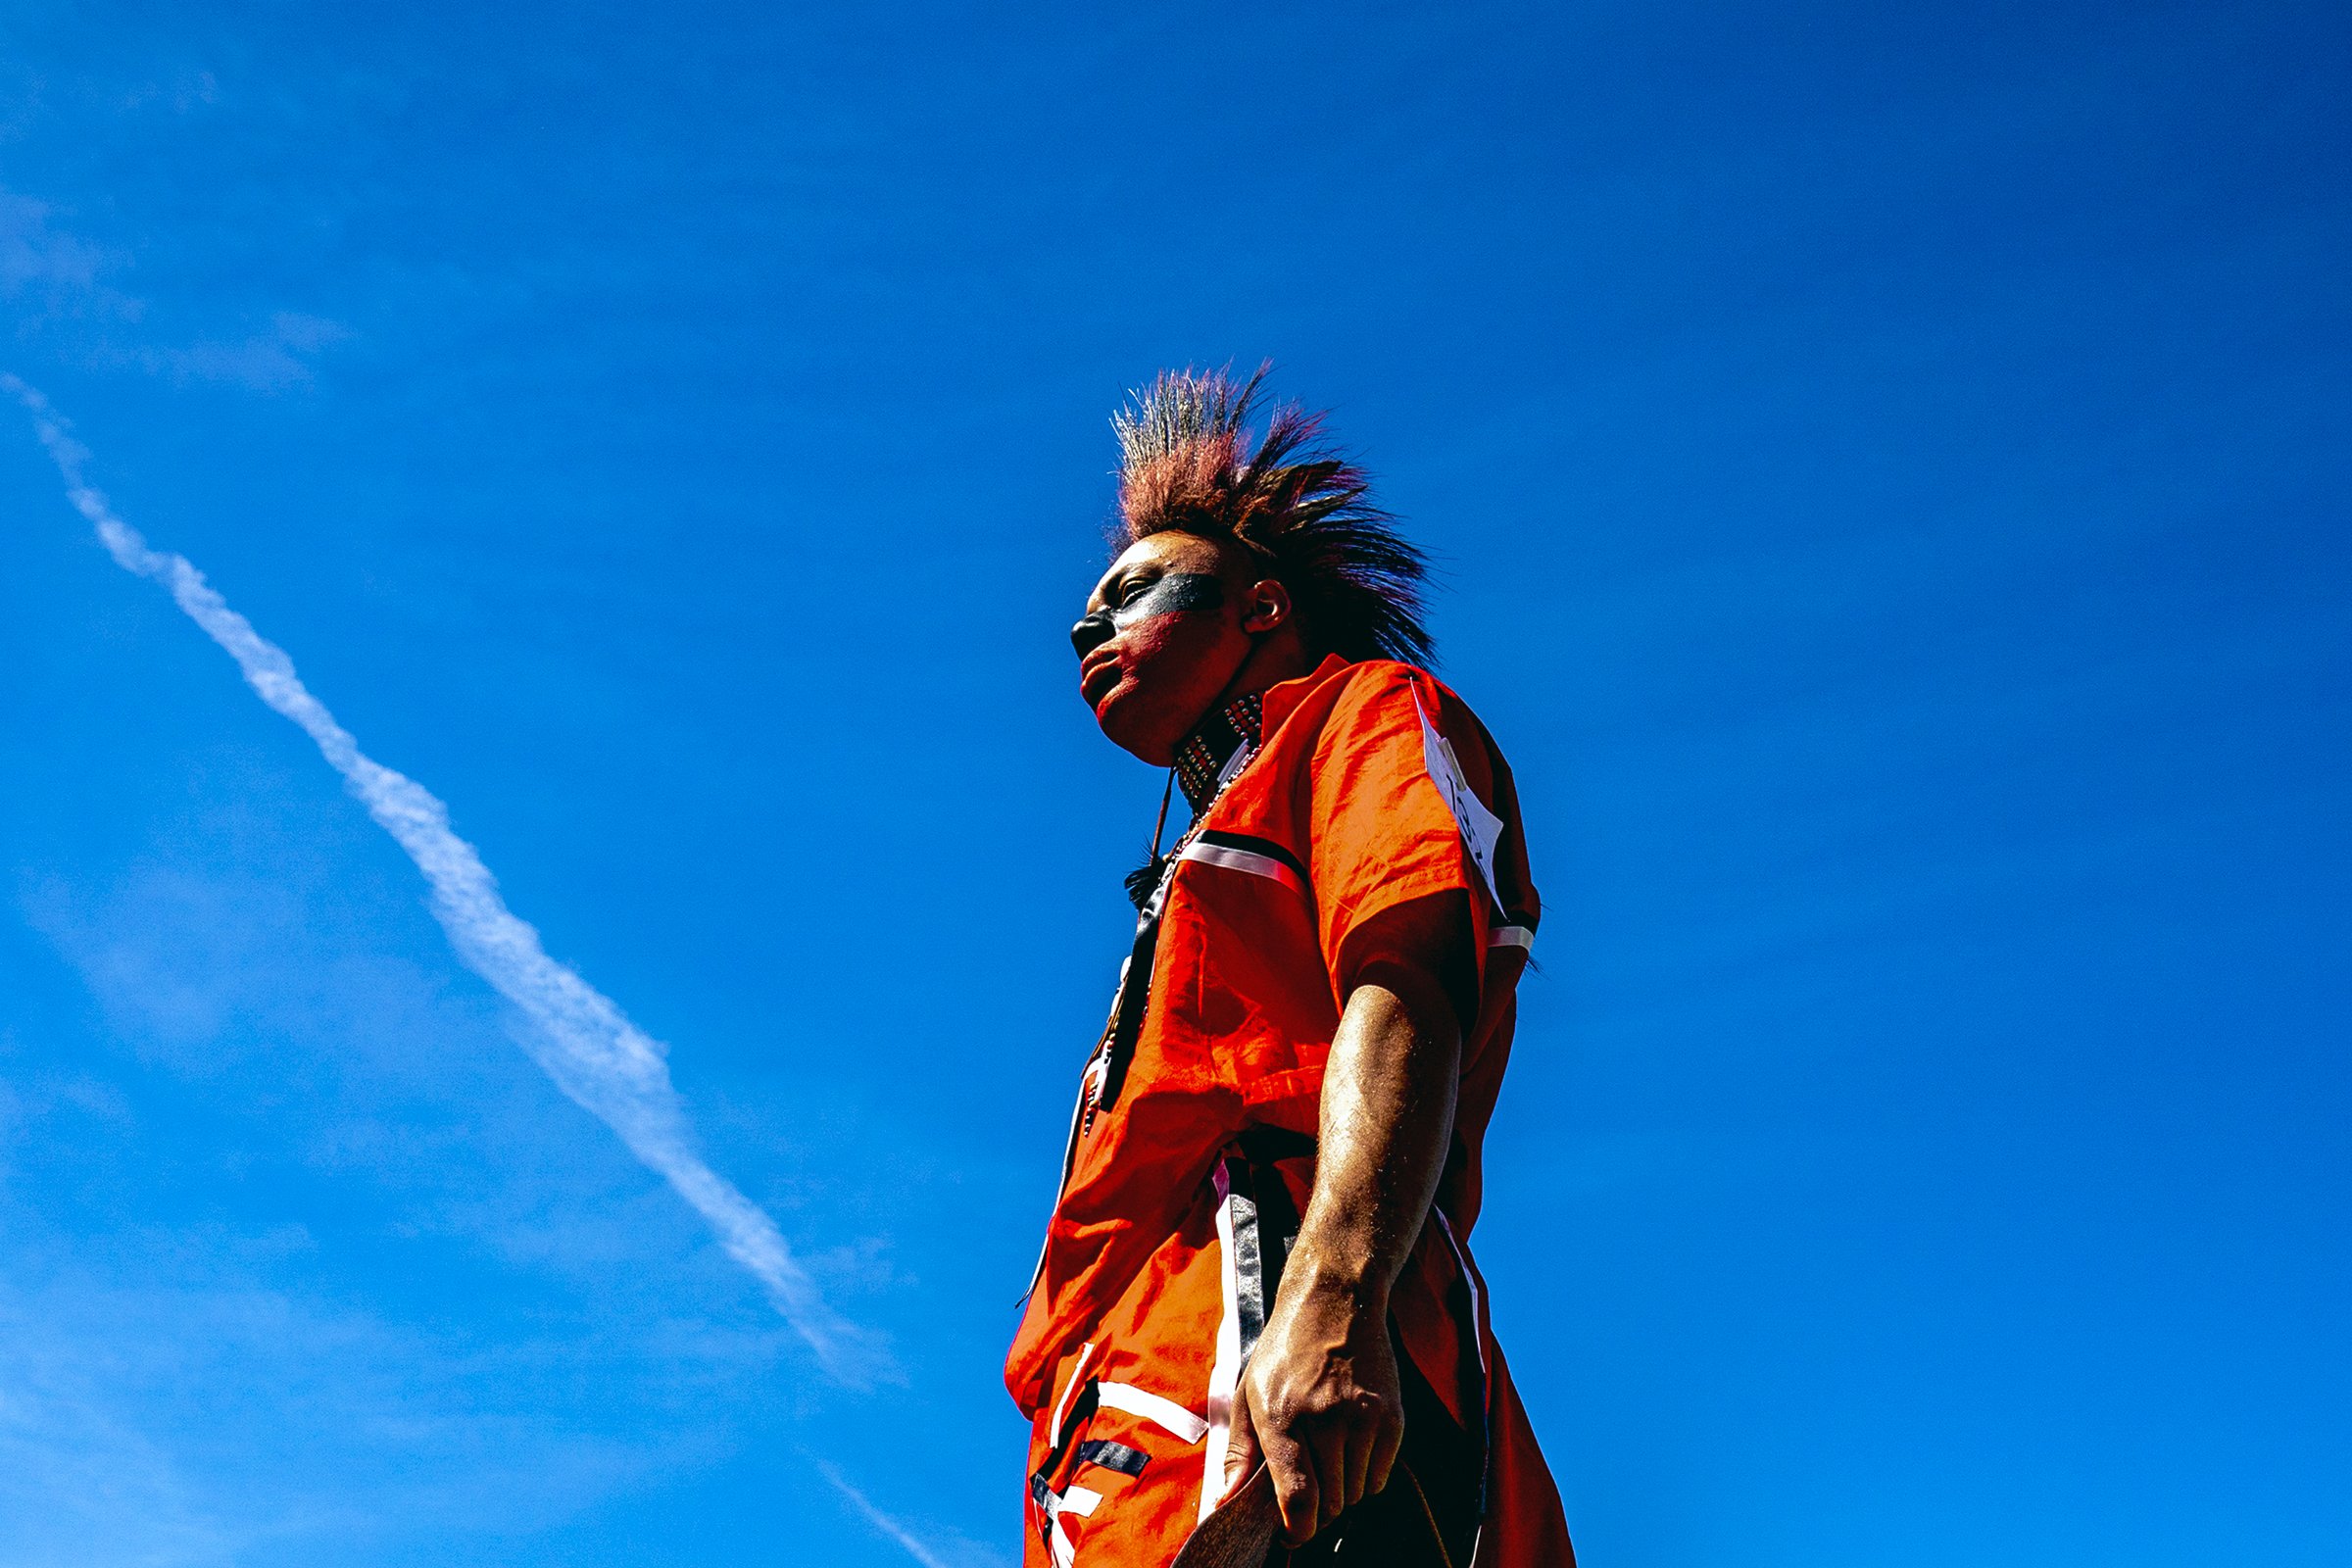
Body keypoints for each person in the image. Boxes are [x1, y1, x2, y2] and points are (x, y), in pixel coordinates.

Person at [1007, 368, 1574, 1567]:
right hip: (1118, 1420)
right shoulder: (1210, 839)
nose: (1084, 626)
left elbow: (1406, 976)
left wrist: (1337, 1292)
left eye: (1131, 591)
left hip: (1270, 1342)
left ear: (1262, 606)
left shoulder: (1363, 715)